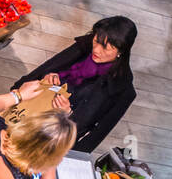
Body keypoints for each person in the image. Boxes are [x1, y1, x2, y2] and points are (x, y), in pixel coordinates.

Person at [11, 16, 137, 155]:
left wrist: (68, 115)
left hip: (51, 141)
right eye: (96, 41)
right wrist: (46, 77)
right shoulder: (84, 46)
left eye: (105, 48)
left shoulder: (123, 90)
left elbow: (97, 135)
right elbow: (45, 69)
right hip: (25, 115)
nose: (96, 50)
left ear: (121, 52)